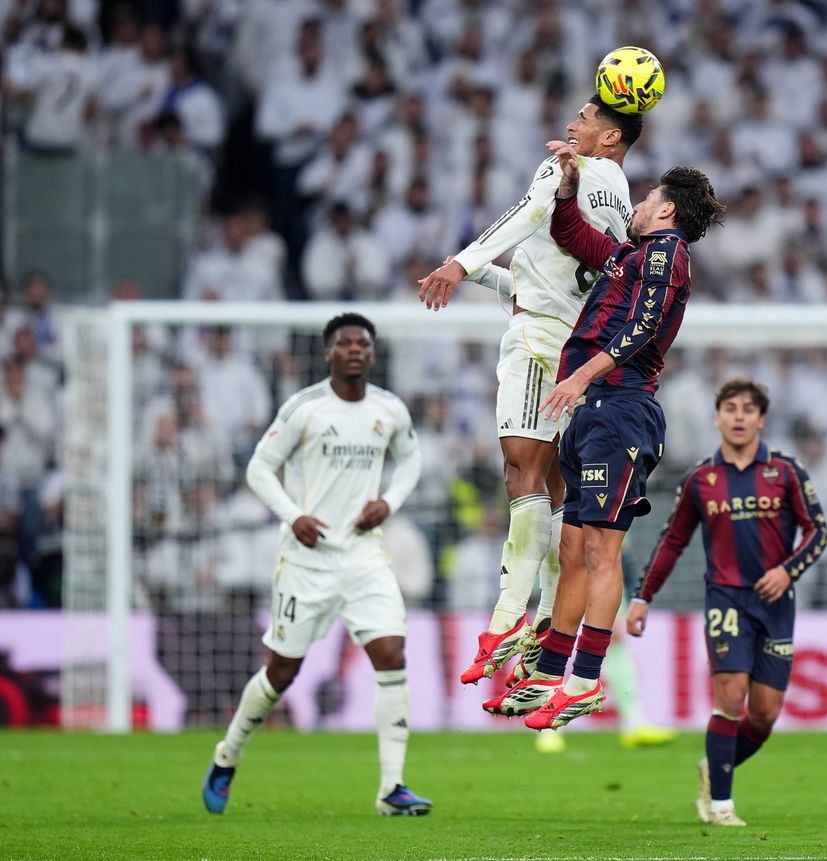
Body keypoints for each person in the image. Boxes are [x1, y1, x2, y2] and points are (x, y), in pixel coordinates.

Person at [491, 148, 725, 731]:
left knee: (600, 549)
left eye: (647, 198)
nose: (638, 204)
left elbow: (644, 327)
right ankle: (547, 673)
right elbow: (571, 233)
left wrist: (581, 374)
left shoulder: (669, 254)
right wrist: (568, 187)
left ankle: (585, 681)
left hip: (619, 408)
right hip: (591, 411)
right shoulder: (630, 256)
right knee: (570, 550)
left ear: (666, 208)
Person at [416, 95, 643, 688]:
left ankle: (507, 617)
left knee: (521, 473)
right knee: (556, 486)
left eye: (587, 119)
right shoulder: (617, 195)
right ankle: (545, 619)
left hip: (536, 336)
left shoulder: (572, 168)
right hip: (571, 338)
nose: (573, 124)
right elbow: (545, 276)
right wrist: (482, 274)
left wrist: (462, 264)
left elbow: (526, 211)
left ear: (610, 137)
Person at [201, 313, 432, 817]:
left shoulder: (389, 410)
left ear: (372, 354)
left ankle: (392, 788)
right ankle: (228, 754)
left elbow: (412, 461)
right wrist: (294, 515)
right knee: (281, 673)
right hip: (306, 561)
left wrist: (388, 502)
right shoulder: (304, 408)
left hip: (365, 556)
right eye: (344, 343)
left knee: (392, 655)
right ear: (328, 354)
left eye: (363, 344)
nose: (354, 350)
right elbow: (259, 468)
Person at [627, 378, 827, 827]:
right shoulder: (702, 479)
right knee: (731, 694)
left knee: (764, 714)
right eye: (731, 408)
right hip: (725, 599)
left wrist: (787, 570)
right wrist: (642, 597)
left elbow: (819, 531)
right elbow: (672, 541)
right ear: (717, 417)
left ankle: (712, 768)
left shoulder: (786, 472)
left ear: (761, 420)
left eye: (748, 409)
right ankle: (720, 804)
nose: (739, 416)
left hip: (775, 602)